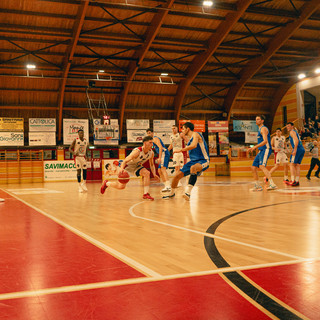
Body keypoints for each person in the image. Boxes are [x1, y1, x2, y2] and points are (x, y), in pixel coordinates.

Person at [100, 136, 160, 200]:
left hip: (137, 166)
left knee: (146, 173)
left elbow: (152, 164)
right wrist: (121, 169)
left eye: (152, 143)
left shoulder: (151, 153)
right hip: (127, 166)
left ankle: (146, 194)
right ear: (145, 143)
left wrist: (154, 174)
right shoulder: (137, 151)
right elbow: (125, 160)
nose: (152, 144)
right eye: (150, 143)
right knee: (121, 187)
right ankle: (106, 183)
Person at [162, 122, 209, 201]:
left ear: (188, 129)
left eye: (183, 129)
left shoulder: (196, 134)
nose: (182, 131)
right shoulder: (189, 140)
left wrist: (181, 150)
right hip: (192, 161)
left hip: (203, 160)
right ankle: (171, 193)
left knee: (193, 168)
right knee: (177, 176)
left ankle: (188, 192)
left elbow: (194, 145)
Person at [248, 115, 277, 191]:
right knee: (253, 167)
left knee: (261, 166)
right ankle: (257, 185)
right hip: (261, 150)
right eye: (256, 119)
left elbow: (265, 141)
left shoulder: (263, 129)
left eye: (258, 119)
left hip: (266, 149)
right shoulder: (259, 129)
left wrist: (254, 147)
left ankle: (272, 184)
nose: (256, 121)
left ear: (262, 121)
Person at [146, 128, 171, 192]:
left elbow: (160, 147)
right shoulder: (151, 141)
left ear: (152, 133)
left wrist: (159, 157)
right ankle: (166, 185)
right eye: (147, 133)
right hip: (162, 154)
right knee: (159, 171)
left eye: (149, 132)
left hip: (164, 153)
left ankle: (168, 186)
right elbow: (153, 147)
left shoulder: (155, 138)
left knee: (163, 169)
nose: (148, 134)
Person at [69, 129, 89, 193]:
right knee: (79, 171)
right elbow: (69, 148)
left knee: (85, 170)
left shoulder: (85, 141)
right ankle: (79, 186)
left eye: (82, 133)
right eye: (80, 133)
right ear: (78, 134)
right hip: (77, 157)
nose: (81, 134)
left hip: (83, 157)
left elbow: (87, 149)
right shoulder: (76, 140)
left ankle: (84, 183)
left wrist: (87, 156)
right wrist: (73, 153)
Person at [286, 122, 305, 186]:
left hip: (298, 149)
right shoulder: (295, 132)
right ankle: (297, 181)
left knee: (291, 164)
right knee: (297, 165)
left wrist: (295, 149)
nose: (287, 128)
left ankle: (293, 180)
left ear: (292, 126)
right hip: (301, 149)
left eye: (288, 126)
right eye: (287, 126)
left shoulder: (292, 132)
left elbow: (296, 140)